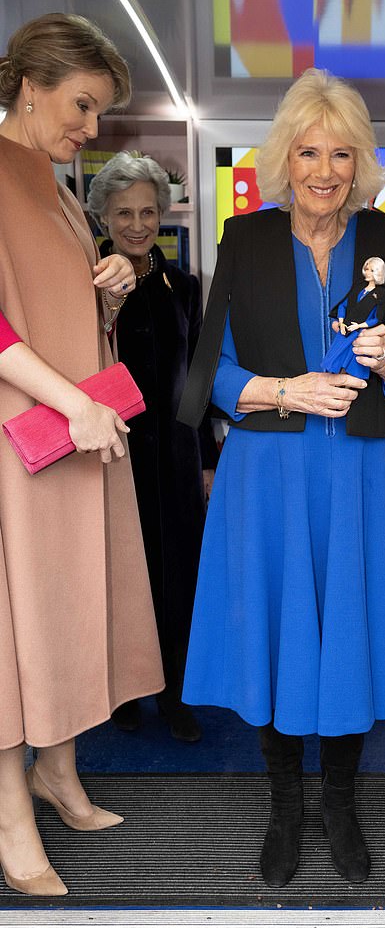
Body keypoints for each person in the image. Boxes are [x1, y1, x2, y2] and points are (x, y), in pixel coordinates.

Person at [177, 67, 385, 887]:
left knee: (348, 631)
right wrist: (286, 389)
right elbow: (208, 373)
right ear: (284, 158)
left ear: (360, 161)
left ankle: (342, 803)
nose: (325, 171)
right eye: (309, 152)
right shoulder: (245, 238)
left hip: (359, 473)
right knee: (280, 634)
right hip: (270, 473)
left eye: (341, 154)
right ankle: (286, 806)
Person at [0, 14, 164, 896]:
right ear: (31, 84)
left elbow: (48, 312)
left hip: (65, 435)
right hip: (21, 440)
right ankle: (9, 813)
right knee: (9, 627)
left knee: (60, 607)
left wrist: (106, 290)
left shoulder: (57, 184)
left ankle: (55, 771)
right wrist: (74, 405)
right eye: (83, 105)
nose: (91, 130)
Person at [87, 152, 218, 743]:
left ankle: (173, 690)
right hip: (114, 454)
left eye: (147, 211)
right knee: (123, 572)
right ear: (103, 218)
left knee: (179, 575)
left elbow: (202, 375)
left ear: (163, 213)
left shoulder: (185, 286)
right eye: (123, 214)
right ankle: (123, 689)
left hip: (180, 453)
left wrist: (210, 460)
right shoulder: (86, 282)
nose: (137, 225)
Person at [321, 256, 385, 377]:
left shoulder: (382, 293)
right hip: (346, 328)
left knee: (353, 365)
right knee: (334, 359)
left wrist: (359, 326)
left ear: (378, 272)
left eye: (371, 270)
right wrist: (341, 322)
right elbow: (343, 305)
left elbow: (377, 319)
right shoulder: (359, 287)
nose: (367, 272)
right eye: (366, 269)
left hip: (360, 332)